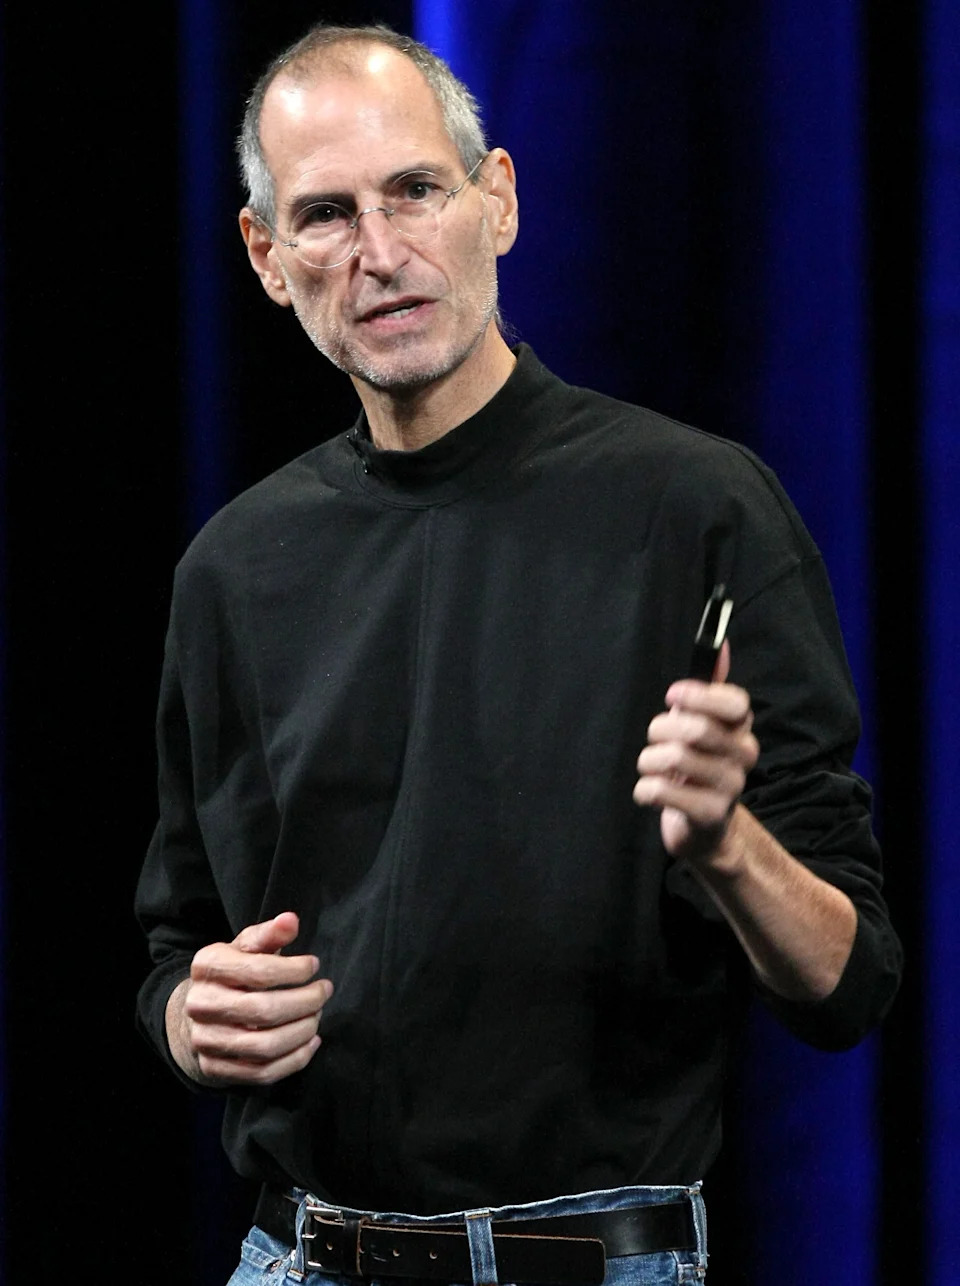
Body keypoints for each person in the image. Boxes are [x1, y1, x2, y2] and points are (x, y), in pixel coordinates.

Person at [135, 22, 902, 1286]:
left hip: (595, 1258)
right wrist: (186, 1014)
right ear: (268, 260)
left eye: (416, 191)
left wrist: (725, 845)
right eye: (325, 215)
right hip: (302, 1253)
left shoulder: (695, 508)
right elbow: (175, 940)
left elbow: (849, 980)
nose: (380, 255)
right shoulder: (235, 566)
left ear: (496, 199)